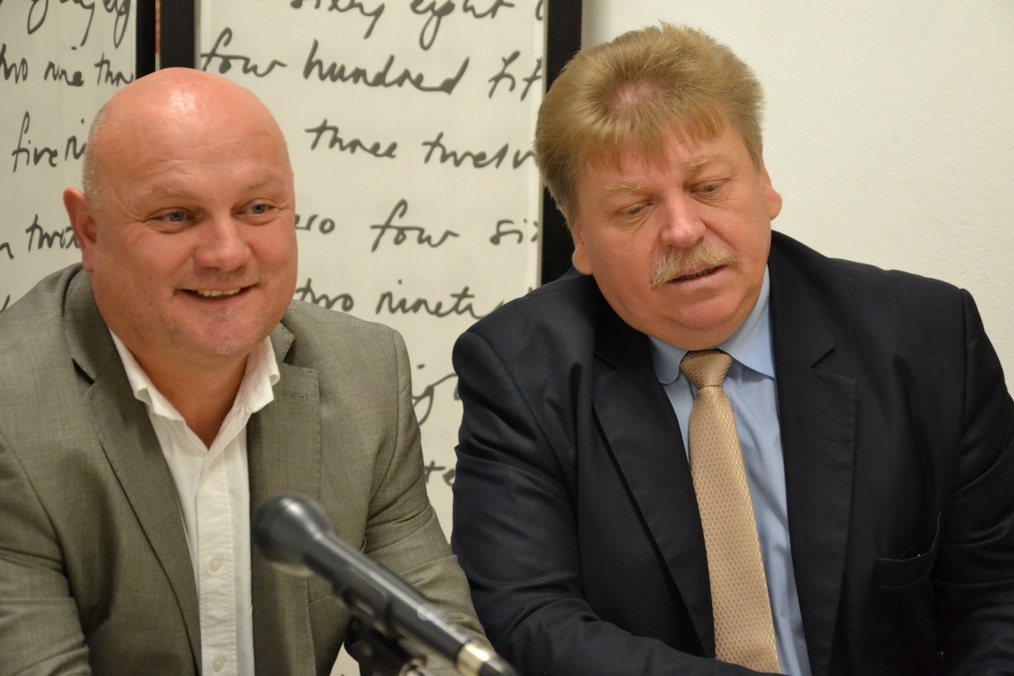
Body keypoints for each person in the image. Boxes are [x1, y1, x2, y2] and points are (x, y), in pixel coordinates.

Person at [450, 22, 1014, 676]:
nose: (683, 230)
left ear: (764, 180)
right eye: (634, 208)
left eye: (709, 187)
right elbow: (529, 618)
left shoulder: (926, 339)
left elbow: (997, 594)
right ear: (579, 237)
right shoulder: (520, 370)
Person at [0, 67, 486, 675]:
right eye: (176, 216)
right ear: (89, 230)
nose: (227, 253)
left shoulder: (366, 374)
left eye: (257, 208)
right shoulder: (13, 413)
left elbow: (439, 645)